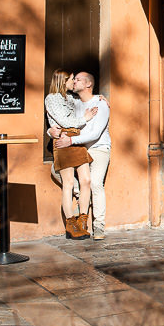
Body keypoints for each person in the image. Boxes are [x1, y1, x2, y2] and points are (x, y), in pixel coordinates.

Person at [52, 72, 110, 240]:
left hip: (98, 148)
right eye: (73, 79)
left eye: (78, 80)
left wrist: (70, 140)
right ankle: (81, 195)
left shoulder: (101, 104)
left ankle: (98, 226)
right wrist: (51, 131)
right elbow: (59, 120)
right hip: (80, 148)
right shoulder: (74, 103)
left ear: (88, 85)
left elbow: (95, 133)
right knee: (55, 170)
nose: (74, 82)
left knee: (96, 183)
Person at [44, 69, 96, 239]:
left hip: (76, 139)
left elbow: (87, 101)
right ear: (63, 80)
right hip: (63, 141)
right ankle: (70, 224)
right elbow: (64, 121)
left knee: (86, 180)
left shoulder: (72, 99)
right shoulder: (51, 98)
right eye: (72, 79)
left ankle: (82, 220)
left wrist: (100, 99)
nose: (74, 82)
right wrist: (84, 119)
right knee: (68, 184)